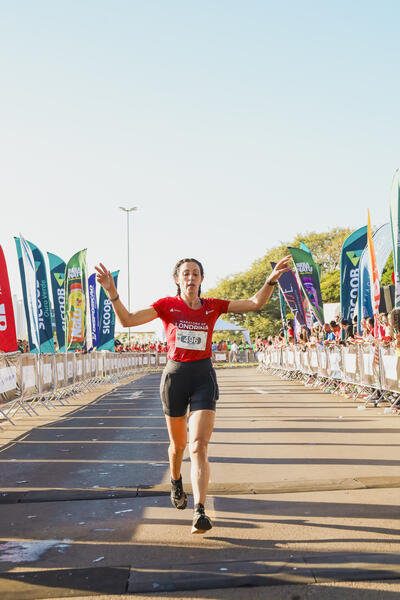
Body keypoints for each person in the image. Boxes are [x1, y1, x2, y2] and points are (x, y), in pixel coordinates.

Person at [95, 255, 290, 533]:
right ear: (177, 279)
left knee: (198, 445)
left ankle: (200, 510)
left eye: (195, 273)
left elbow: (254, 303)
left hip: (203, 377)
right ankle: (175, 480)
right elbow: (127, 321)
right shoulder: (166, 305)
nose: (190, 277)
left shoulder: (212, 307)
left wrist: (271, 280)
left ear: (201, 279)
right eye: (185, 273)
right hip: (175, 378)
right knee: (179, 446)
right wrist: (111, 291)